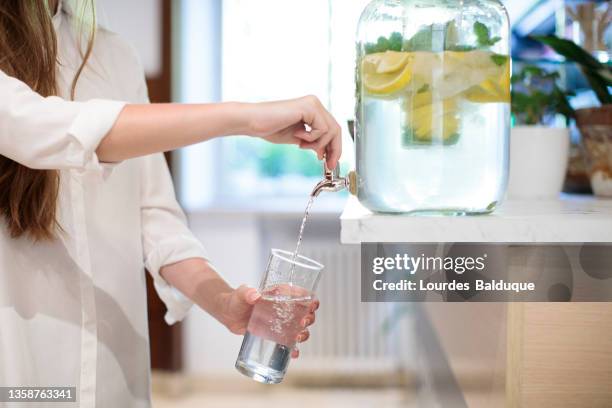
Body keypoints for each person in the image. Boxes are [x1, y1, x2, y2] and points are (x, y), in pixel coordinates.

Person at [0, 0, 341, 406]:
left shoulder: (115, 56)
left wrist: (226, 302)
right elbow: (56, 129)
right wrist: (245, 118)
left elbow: (154, 217)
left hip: (115, 373)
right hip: (21, 375)